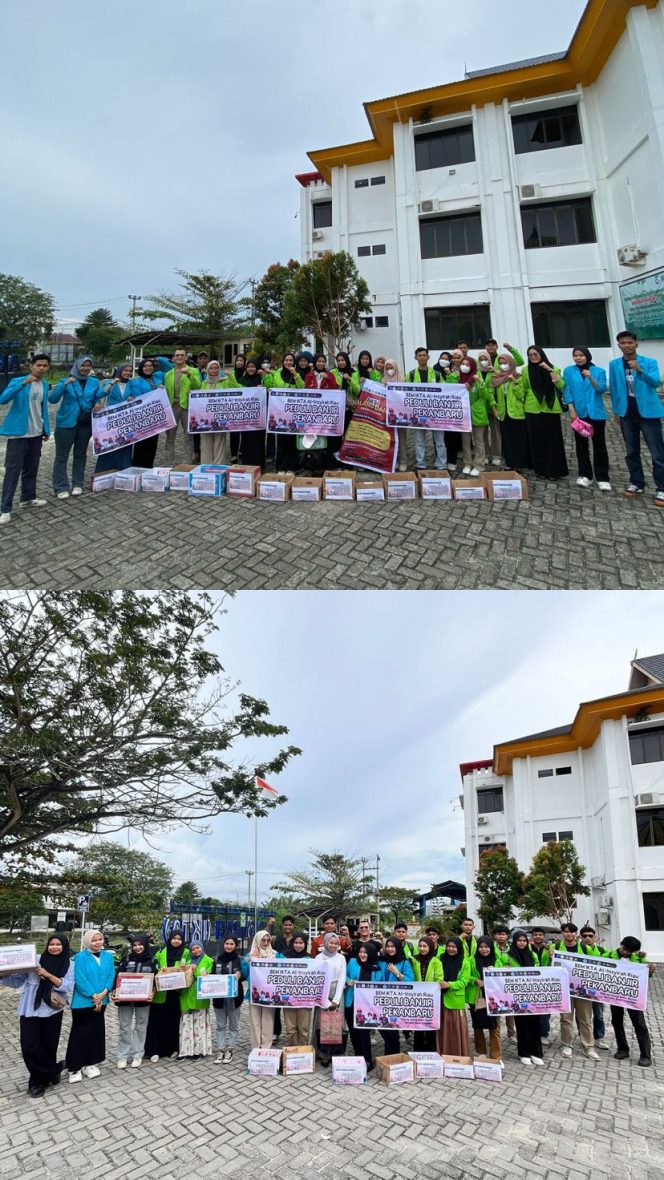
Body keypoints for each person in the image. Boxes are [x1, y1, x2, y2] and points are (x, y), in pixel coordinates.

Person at [1, 934, 74, 1097]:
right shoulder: (34, 959)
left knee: (49, 1046)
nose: (54, 947)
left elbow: (67, 986)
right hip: (30, 1008)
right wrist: (3, 976)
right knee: (29, 1046)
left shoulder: (69, 964)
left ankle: (37, 1082)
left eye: (58, 944)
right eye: (51, 944)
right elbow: (18, 981)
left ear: (64, 946)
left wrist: (48, 975)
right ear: (47, 946)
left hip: (52, 1009)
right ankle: (53, 1070)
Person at [609, 330, 664, 505]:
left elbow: (656, 383)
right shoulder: (615, 364)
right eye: (623, 343)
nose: (626, 346)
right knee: (631, 451)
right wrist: (617, 411)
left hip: (648, 413)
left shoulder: (649, 362)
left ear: (636, 344)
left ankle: (661, 488)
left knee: (657, 453)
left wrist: (640, 370)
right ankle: (636, 483)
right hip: (627, 413)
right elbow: (616, 389)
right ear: (619, 345)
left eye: (629, 342)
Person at [0, 353, 51, 524]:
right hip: (19, 434)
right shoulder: (18, 381)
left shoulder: (44, 384)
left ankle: (28, 498)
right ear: (31, 366)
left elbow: (43, 410)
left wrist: (46, 430)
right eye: (38, 365)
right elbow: (3, 399)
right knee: (12, 471)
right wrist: (23, 383)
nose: (41, 368)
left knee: (31, 468)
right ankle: (5, 508)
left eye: (44, 366)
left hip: (36, 433)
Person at [65, 929, 116, 1083]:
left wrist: (105, 992)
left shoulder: (108, 956)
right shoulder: (79, 957)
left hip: (103, 998)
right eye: (94, 940)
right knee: (80, 1034)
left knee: (96, 1032)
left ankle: (90, 1063)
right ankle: (74, 1067)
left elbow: (111, 975)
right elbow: (80, 979)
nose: (98, 943)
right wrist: (94, 996)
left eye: (100, 939)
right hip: (84, 1001)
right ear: (87, 941)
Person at [49, 355, 100, 498]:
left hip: (85, 423)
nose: (85, 368)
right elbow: (52, 399)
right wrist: (64, 384)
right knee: (61, 456)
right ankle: (60, 487)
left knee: (80, 454)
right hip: (66, 423)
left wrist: (97, 403)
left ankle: (77, 483)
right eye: (83, 365)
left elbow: (96, 397)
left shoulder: (94, 382)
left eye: (88, 366)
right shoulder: (65, 381)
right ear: (77, 366)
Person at [563, 348, 611, 490]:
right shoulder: (569, 371)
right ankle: (585, 475)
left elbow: (601, 389)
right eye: (575, 356)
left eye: (581, 355)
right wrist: (571, 410)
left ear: (587, 356)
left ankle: (602, 477)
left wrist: (590, 377)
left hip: (596, 413)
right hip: (579, 413)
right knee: (581, 444)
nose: (578, 358)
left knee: (599, 445)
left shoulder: (598, 371)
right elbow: (567, 391)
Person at [551, 922, 599, 1060]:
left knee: (585, 1019)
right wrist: (550, 957)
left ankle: (588, 1047)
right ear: (562, 933)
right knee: (566, 1019)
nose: (569, 934)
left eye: (572, 932)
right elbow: (547, 966)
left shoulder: (585, 948)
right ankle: (567, 1045)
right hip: (564, 989)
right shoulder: (555, 948)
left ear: (576, 934)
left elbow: (596, 964)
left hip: (582, 989)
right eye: (566, 931)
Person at [522, 346, 568, 480]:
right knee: (537, 440)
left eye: (535, 354)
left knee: (552, 440)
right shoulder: (526, 370)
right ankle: (540, 469)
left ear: (541, 354)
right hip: (532, 408)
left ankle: (554, 470)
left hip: (550, 408)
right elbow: (524, 388)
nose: (533, 357)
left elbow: (561, 385)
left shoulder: (554, 368)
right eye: (530, 355)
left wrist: (549, 370)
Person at [608, 936, 655, 1066]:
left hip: (633, 997)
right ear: (621, 944)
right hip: (615, 996)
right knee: (617, 1022)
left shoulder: (638, 958)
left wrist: (651, 970)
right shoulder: (608, 956)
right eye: (624, 949)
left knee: (639, 1024)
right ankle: (622, 1049)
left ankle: (645, 1055)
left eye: (629, 951)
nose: (626, 952)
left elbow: (647, 973)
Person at [113, 933, 157, 1069]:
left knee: (141, 1026)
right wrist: (115, 992)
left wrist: (152, 993)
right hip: (125, 999)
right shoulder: (126, 959)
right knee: (124, 1027)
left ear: (145, 945)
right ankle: (122, 1056)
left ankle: (138, 1054)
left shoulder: (152, 960)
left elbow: (155, 980)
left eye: (140, 945)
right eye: (135, 945)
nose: (137, 948)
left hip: (143, 1000)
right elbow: (118, 977)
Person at [145, 931, 191, 1061]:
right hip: (160, 993)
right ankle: (154, 1050)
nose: (176, 941)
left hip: (176, 994)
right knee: (156, 1022)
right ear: (169, 939)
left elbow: (189, 969)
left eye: (179, 939)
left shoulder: (186, 953)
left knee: (173, 1022)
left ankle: (172, 1048)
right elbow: (155, 967)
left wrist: (185, 968)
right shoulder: (161, 952)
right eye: (174, 938)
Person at [506, 932, 545, 1065]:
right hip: (516, 996)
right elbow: (500, 971)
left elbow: (538, 971)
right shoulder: (507, 956)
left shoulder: (532, 954)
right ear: (515, 942)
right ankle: (523, 1053)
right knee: (522, 1025)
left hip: (532, 995)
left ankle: (536, 1052)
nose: (522, 943)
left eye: (524, 940)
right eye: (519, 940)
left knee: (535, 1024)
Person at [407, 347, 448, 472]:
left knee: (439, 440)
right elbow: (404, 391)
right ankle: (421, 463)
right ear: (416, 357)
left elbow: (445, 390)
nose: (422, 357)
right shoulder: (411, 374)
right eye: (419, 355)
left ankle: (441, 464)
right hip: (419, 413)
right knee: (419, 440)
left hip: (435, 413)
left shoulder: (436, 374)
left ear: (428, 357)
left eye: (424, 355)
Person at [265, 352, 305, 471]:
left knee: (292, 440)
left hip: (293, 413)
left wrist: (296, 375)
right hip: (280, 412)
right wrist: (268, 382)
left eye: (291, 360)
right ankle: (281, 466)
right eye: (286, 360)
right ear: (283, 362)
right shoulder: (277, 373)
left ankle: (292, 467)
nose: (288, 362)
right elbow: (271, 386)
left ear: (294, 363)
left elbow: (302, 388)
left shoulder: (298, 374)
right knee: (281, 439)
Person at [345, 942, 382, 1070]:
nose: (362, 954)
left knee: (364, 1032)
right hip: (351, 1002)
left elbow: (379, 985)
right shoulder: (352, 962)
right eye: (361, 952)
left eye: (365, 952)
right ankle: (358, 1056)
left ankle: (367, 1059)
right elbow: (345, 975)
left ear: (371, 953)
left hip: (367, 1007)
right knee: (354, 1032)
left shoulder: (376, 968)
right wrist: (348, 981)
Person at [163, 347, 201, 466]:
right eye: (177, 355)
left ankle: (187, 463)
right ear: (173, 358)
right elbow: (166, 391)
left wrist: (190, 375)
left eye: (182, 355)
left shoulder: (193, 371)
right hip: (172, 406)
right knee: (170, 437)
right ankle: (170, 463)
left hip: (187, 406)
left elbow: (198, 386)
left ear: (186, 357)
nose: (179, 357)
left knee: (188, 436)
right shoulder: (168, 374)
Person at [491, 353, 530, 471]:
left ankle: (520, 463)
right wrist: (494, 407)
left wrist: (514, 381)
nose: (503, 366)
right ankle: (509, 463)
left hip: (516, 412)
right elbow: (490, 393)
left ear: (511, 363)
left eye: (505, 363)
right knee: (507, 440)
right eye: (501, 363)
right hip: (503, 413)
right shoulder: (497, 378)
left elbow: (521, 394)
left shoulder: (519, 376)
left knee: (518, 439)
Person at [126, 358, 165, 468]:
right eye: (145, 366)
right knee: (141, 444)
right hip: (142, 417)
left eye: (150, 365)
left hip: (155, 417)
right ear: (141, 368)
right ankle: (137, 467)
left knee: (152, 444)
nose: (148, 368)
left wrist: (161, 388)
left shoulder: (157, 378)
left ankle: (148, 467)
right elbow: (136, 397)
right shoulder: (135, 381)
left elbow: (168, 366)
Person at [468, 936, 502, 1062]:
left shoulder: (496, 960)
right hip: (477, 997)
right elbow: (466, 975)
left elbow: (503, 976)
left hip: (494, 998)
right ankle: (481, 1052)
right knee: (478, 1026)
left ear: (491, 948)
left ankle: (496, 1056)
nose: (484, 950)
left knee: (495, 1027)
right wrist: (475, 980)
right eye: (481, 947)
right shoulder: (471, 960)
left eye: (486, 947)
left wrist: (496, 971)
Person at [178, 940, 214, 1059]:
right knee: (186, 1025)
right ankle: (186, 1051)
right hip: (187, 996)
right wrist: (183, 970)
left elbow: (205, 978)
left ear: (202, 948)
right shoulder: (187, 961)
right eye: (193, 949)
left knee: (199, 1026)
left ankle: (198, 1051)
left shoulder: (209, 961)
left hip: (200, 998)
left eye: (198, 948)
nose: (195, 951)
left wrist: (195, 971)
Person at [378, 937, 415, 1054]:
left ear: (398, 947)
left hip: (397, 1001)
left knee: (392, 1031)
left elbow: (411, 982)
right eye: (388, 946)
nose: (390, 949)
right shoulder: (382, 961)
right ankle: (390, 1056)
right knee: (383, 1027)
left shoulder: (404, 962)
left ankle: (392, 1057)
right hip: (382, 1000)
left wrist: (397, 973)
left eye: (392, 946)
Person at [95, 363, 134, 472]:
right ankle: (106, 470)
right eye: (125, 370)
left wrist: (133, 398)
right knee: (110, 444)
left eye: (130, 371)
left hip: (127, 419)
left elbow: (138, 396)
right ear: (120, 371)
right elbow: (99, 395)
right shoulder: (109, 383)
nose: (128, 373)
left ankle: (124, 469)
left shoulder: (131, 384)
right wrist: (112, 383)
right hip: (112, 419)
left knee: (126, 444)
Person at [315, 932, 347, 1065]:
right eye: (331, 942)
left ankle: (336, 1053)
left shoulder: (341, 958)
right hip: (322, 991)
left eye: (336, 943)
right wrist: (326, 1001)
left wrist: (336, 999)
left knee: (336, 1024)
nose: (333, 945)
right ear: (326, 942)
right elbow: (317, 979)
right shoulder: (318, 957)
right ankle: (323, 1054)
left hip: (337, 992)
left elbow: (342, 978)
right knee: (323, 1024)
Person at [436, 937, 471, 1058]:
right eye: (449, 946)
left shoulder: (465, 962)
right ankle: (442, 1053)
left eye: (454, 946)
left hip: (455, 1000)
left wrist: (449, 984)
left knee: (456, 1029)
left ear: (459, 948)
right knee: (442, 1029)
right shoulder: (440, 958)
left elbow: (464, 981)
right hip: (440, 999)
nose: (451, 949)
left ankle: (457, 1055)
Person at [212, 935, 244, 1064]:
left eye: (232, 944)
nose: (229, 946)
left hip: (234, 998)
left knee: (233, 1025)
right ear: (223, 944)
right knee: (220, 1025)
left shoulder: (239, 960)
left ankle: (230, 1049)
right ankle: (220, 1049)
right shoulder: (216, 959)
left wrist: (240, 975)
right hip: (219, 998)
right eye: (227, 944)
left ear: (236, 945)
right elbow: (212, 976)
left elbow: (246, 975)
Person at [246, 930, 279, 1048]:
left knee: (268, 1020)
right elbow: (245, 974)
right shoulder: (249, 956)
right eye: (262, 940)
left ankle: (266, 1046)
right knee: (255, 1021)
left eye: (268, 940)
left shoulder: (275, 955)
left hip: (270, 993)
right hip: (254, 993)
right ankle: (256, 1046)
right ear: (257, 940)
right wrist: (249, 963)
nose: (265, 943)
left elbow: (285, 966)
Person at [579, 925, 609, 1050]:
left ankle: (599, 1038)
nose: (587, 938)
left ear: (595, 937)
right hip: (580, 988)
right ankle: (583, 1037)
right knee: (581, 1016)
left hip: (598, 990)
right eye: (584, 936)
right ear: (580, 937)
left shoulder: (603, 951)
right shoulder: (576, 950)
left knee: (599, 1014)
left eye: (590, 936)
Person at [412, 937, 443, 1051]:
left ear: (430, 947)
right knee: (418, 1026)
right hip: (417, 998)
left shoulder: (436, 961)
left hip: (431, 999)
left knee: (430, 1026)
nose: (422, 949)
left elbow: (439, 978)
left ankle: (431, 1051)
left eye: (425, 946)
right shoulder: (414, 960)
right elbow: (412, 977)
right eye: (420, 946)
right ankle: (418, 1050)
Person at [282, 933, 312, 1047]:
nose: (298, 945)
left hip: (304, 998)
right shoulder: (284, 957)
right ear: (292, 943)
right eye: (296, 942)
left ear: (305, 944)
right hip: (287, 998)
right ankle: (292, 1052)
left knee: (303, 1028)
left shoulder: (310, 959)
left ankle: (303, 1052)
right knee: (290, 1028)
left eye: (301, 943)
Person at [199, 360, 231, 466]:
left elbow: (234, 391)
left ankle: (219, 466)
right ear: (208, 370)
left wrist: (231, 376)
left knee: (219, 442)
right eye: (211, 368)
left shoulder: (225, 381)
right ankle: (206, 465)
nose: (214, 370)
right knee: (205, 443)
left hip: (221, 417)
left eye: (216, 368)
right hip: (206, 417)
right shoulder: (203, 383)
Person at [475, 350, 503, 466]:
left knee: (496, 432)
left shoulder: (494, 372)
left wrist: (496, 372)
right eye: (481, 359)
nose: (483, 362)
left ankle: (496, 455)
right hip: (482, 408)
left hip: (494, 407)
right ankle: (485, 454)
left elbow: (503, 379)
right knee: (483, 433)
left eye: (485, 359)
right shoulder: (477, 373)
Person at [529, 927, 552, 1041]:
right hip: (531, 983)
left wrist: (552, 956)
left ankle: (543, 1034)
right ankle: (532, 1033)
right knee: (531, 1009)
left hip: (545, 983)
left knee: (545, 1010)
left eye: (540, 935)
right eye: (535, 934)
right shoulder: (527, 948)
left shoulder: (549, 949)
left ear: (544, 936)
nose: (538, 936)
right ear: (532, 936)